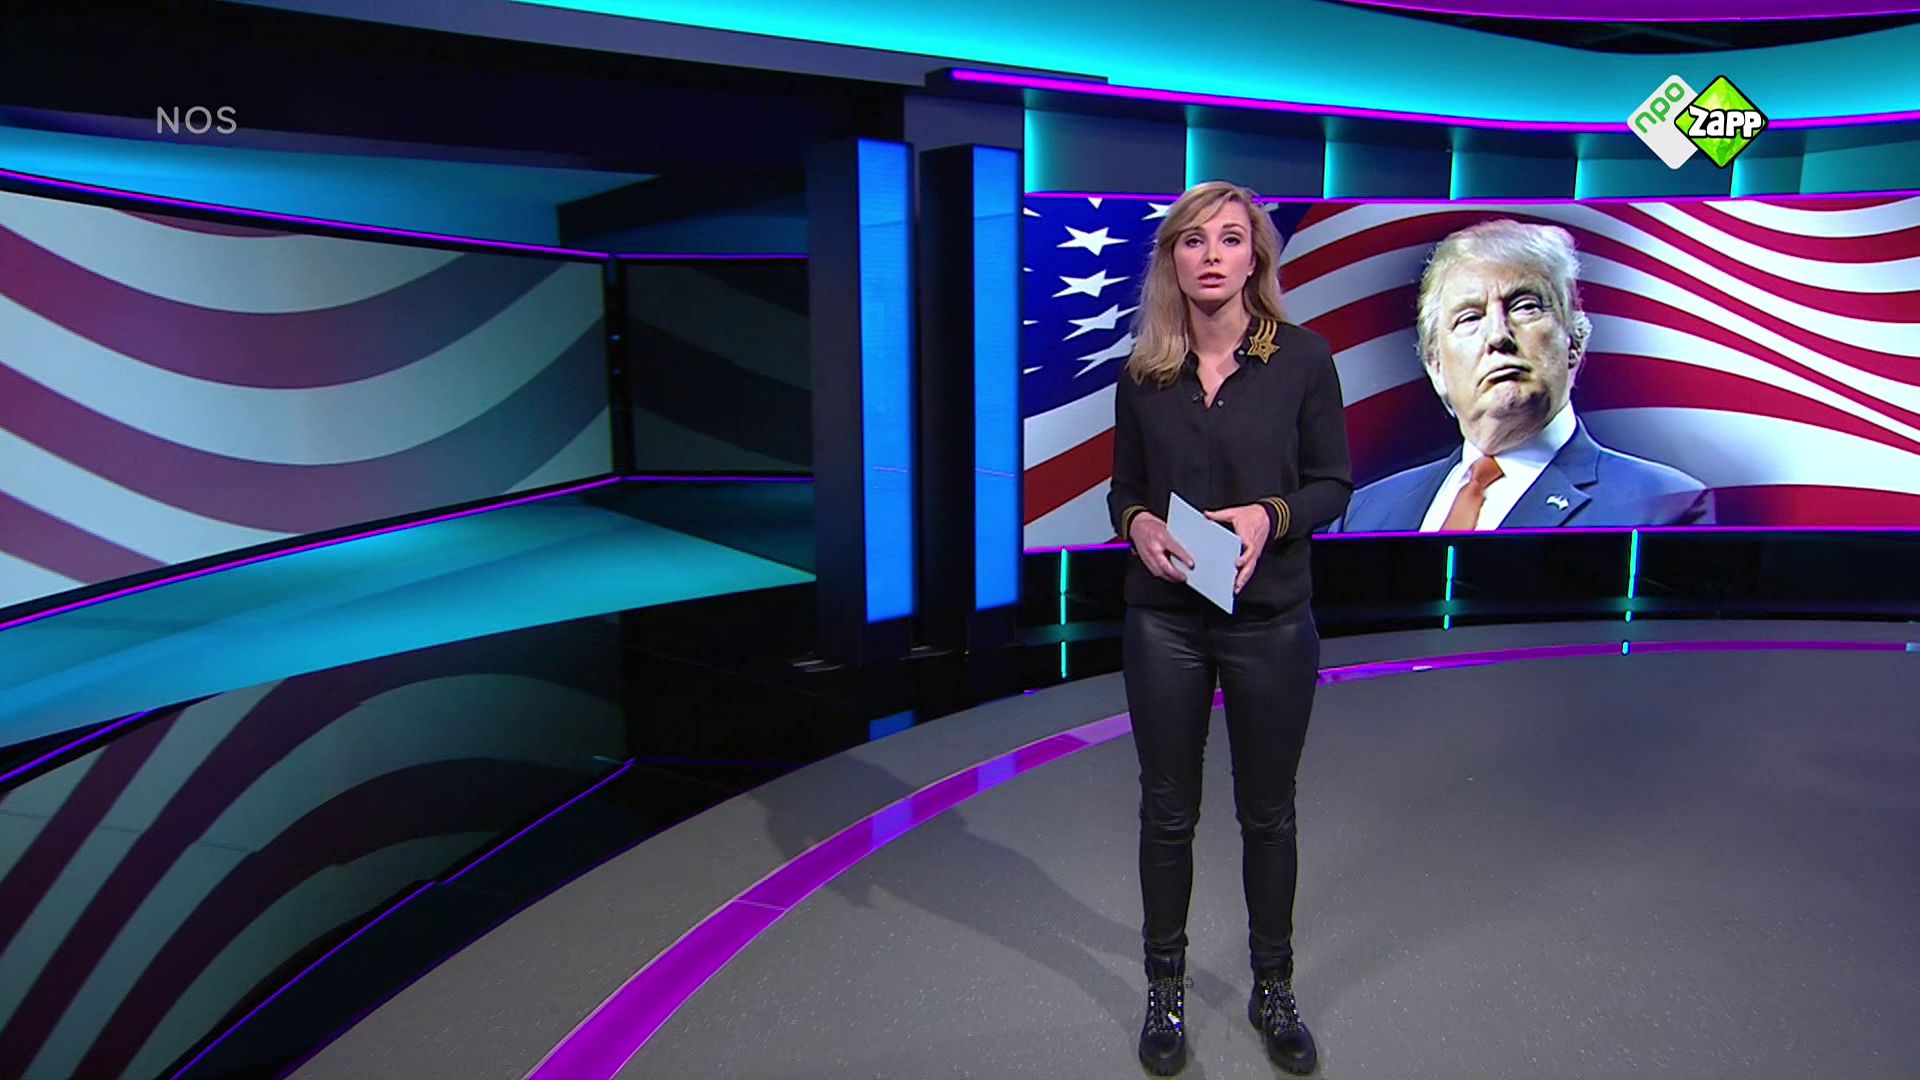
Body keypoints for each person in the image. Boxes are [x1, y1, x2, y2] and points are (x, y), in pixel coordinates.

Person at [1107, 180, 1352, 1076]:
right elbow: (1122, 489)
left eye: (1230, 238)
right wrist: (1137, 524)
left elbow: (1333, 484)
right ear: (1172, 259)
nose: (1211, 255)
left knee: (1267, 813)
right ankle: (1165, 991)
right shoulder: (1145, 374)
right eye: (1193, 240)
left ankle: (1272, 987)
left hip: (1270, 621)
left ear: (1256, 257)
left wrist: (1268, 516)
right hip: (1165, 622)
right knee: (1167, 812)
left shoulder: (1304, 360)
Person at [1331, 219, 1712, 533]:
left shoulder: (1664, 505)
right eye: (1470, 318)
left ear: (1574, 342)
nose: (1498, 336)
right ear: (1436, 368)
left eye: (1525, 307)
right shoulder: (1363, 515)